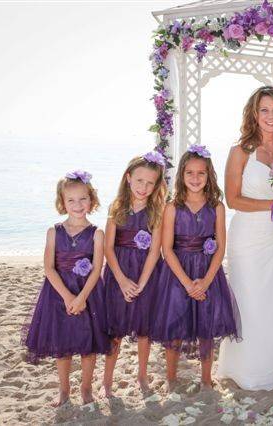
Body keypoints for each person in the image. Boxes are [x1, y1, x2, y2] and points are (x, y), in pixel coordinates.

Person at [217, 86, 273, 391]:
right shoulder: (240, 151)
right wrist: (271, 205)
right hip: (249, 238)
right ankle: (249, 370)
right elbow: (232, 199)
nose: (270, 116)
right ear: (254, 114)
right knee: (250, 300)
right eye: (264, 110)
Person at [152, 145, 239, 389]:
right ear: (181, 175)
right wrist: (188, 283)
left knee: (206, 327)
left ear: (209, 175)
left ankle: (205, 378)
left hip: (208, 272)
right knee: (175, 327)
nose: (195, 178)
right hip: (177, 274)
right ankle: (171, 378)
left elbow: (220, 247)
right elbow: (166, 249)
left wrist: (206, 280)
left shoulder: (217, 207)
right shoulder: (172, 207)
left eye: (201, 173)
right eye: (189, 173)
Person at [22, 171, 109, 406]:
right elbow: (49, 268)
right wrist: (68, 296)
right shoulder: (53, 232)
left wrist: (81, 298)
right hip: (58, 295)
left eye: (83, 199)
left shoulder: (97, 233)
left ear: (91, 200)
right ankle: (64, 390)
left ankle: (86, 388)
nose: (78, 205)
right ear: (62, 202)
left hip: (88, 295)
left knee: (88, 345)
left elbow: (97, 269)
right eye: (71, 200)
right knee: (63, 346)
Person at [100, 152, 167, 396]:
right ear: (128, 178)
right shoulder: (116, 207)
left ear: (156, 185)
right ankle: (107, 381)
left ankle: (142, 375)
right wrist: (121, 280)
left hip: (145, 275)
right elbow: (108, 247)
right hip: (119, 273)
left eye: (150, 183)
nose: (144, 187)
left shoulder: (157, 210)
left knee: (144, 330)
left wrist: (141, 283)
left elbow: (154, 250)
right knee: (114, 331)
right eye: (139, 181)